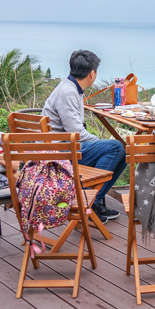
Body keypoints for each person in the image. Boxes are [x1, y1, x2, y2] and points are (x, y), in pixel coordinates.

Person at [42, 50, 127, 221]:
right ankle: (87, 200)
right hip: (61, 152)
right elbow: (77, 133)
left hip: (65, 146)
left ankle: (93, 202)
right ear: (92, 73)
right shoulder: (68, 92)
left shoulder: (72, 87)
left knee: (123, 152)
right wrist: (100, 142)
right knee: (117, 147)